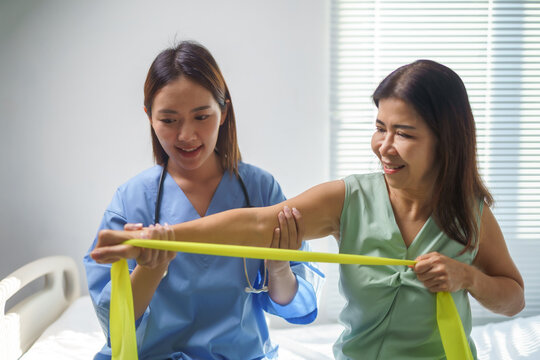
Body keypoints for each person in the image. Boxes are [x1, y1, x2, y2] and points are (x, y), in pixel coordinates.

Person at [92, 60, 525, 359]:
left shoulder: (471, 215)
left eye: (404, 133)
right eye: (379, 128)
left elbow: (513, 298)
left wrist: (467, 277)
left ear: (445, 139)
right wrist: (153, 239)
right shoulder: (349, 199)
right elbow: (258, 223)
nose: (384, 146)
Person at [83, 41, 323, 360]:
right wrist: (150, 271)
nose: (187, 135)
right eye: (169, 120)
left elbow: (291, 301)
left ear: (223, 111)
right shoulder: (131, 200)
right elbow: (114, 323)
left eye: (201, 116)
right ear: (149, 117)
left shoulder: (260, 190)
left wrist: (278, 265)